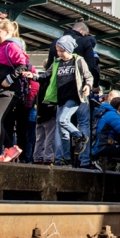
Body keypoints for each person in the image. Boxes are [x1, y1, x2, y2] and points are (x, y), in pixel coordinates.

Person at [0, 19, 27, 162]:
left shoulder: (12, 46)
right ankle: (10, 147)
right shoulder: (1, 47)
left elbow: (22, 65)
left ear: (8, 32)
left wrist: (9, 79)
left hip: (5, 90)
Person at [46, 35, 93, 167]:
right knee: (62, 131)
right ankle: (66, 159)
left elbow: (88, 76)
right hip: (61, 99)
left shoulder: (78, 61)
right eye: (57, 51)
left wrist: (87, 86)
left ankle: (80, 137)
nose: (59, 54)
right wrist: (32, 75)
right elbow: (46, 75)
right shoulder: (56, 62)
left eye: (62, 51)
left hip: (74, 97)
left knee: (62, 120)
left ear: (69, 50)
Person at [45, 21, 100, 87]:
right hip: (77, 86)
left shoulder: (55, 42)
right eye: (85, 35)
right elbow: (91, 66)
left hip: (56, 85)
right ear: (80, 29)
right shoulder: (85, 42)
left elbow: (49, 65)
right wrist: (94, 84)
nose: (85, 37)